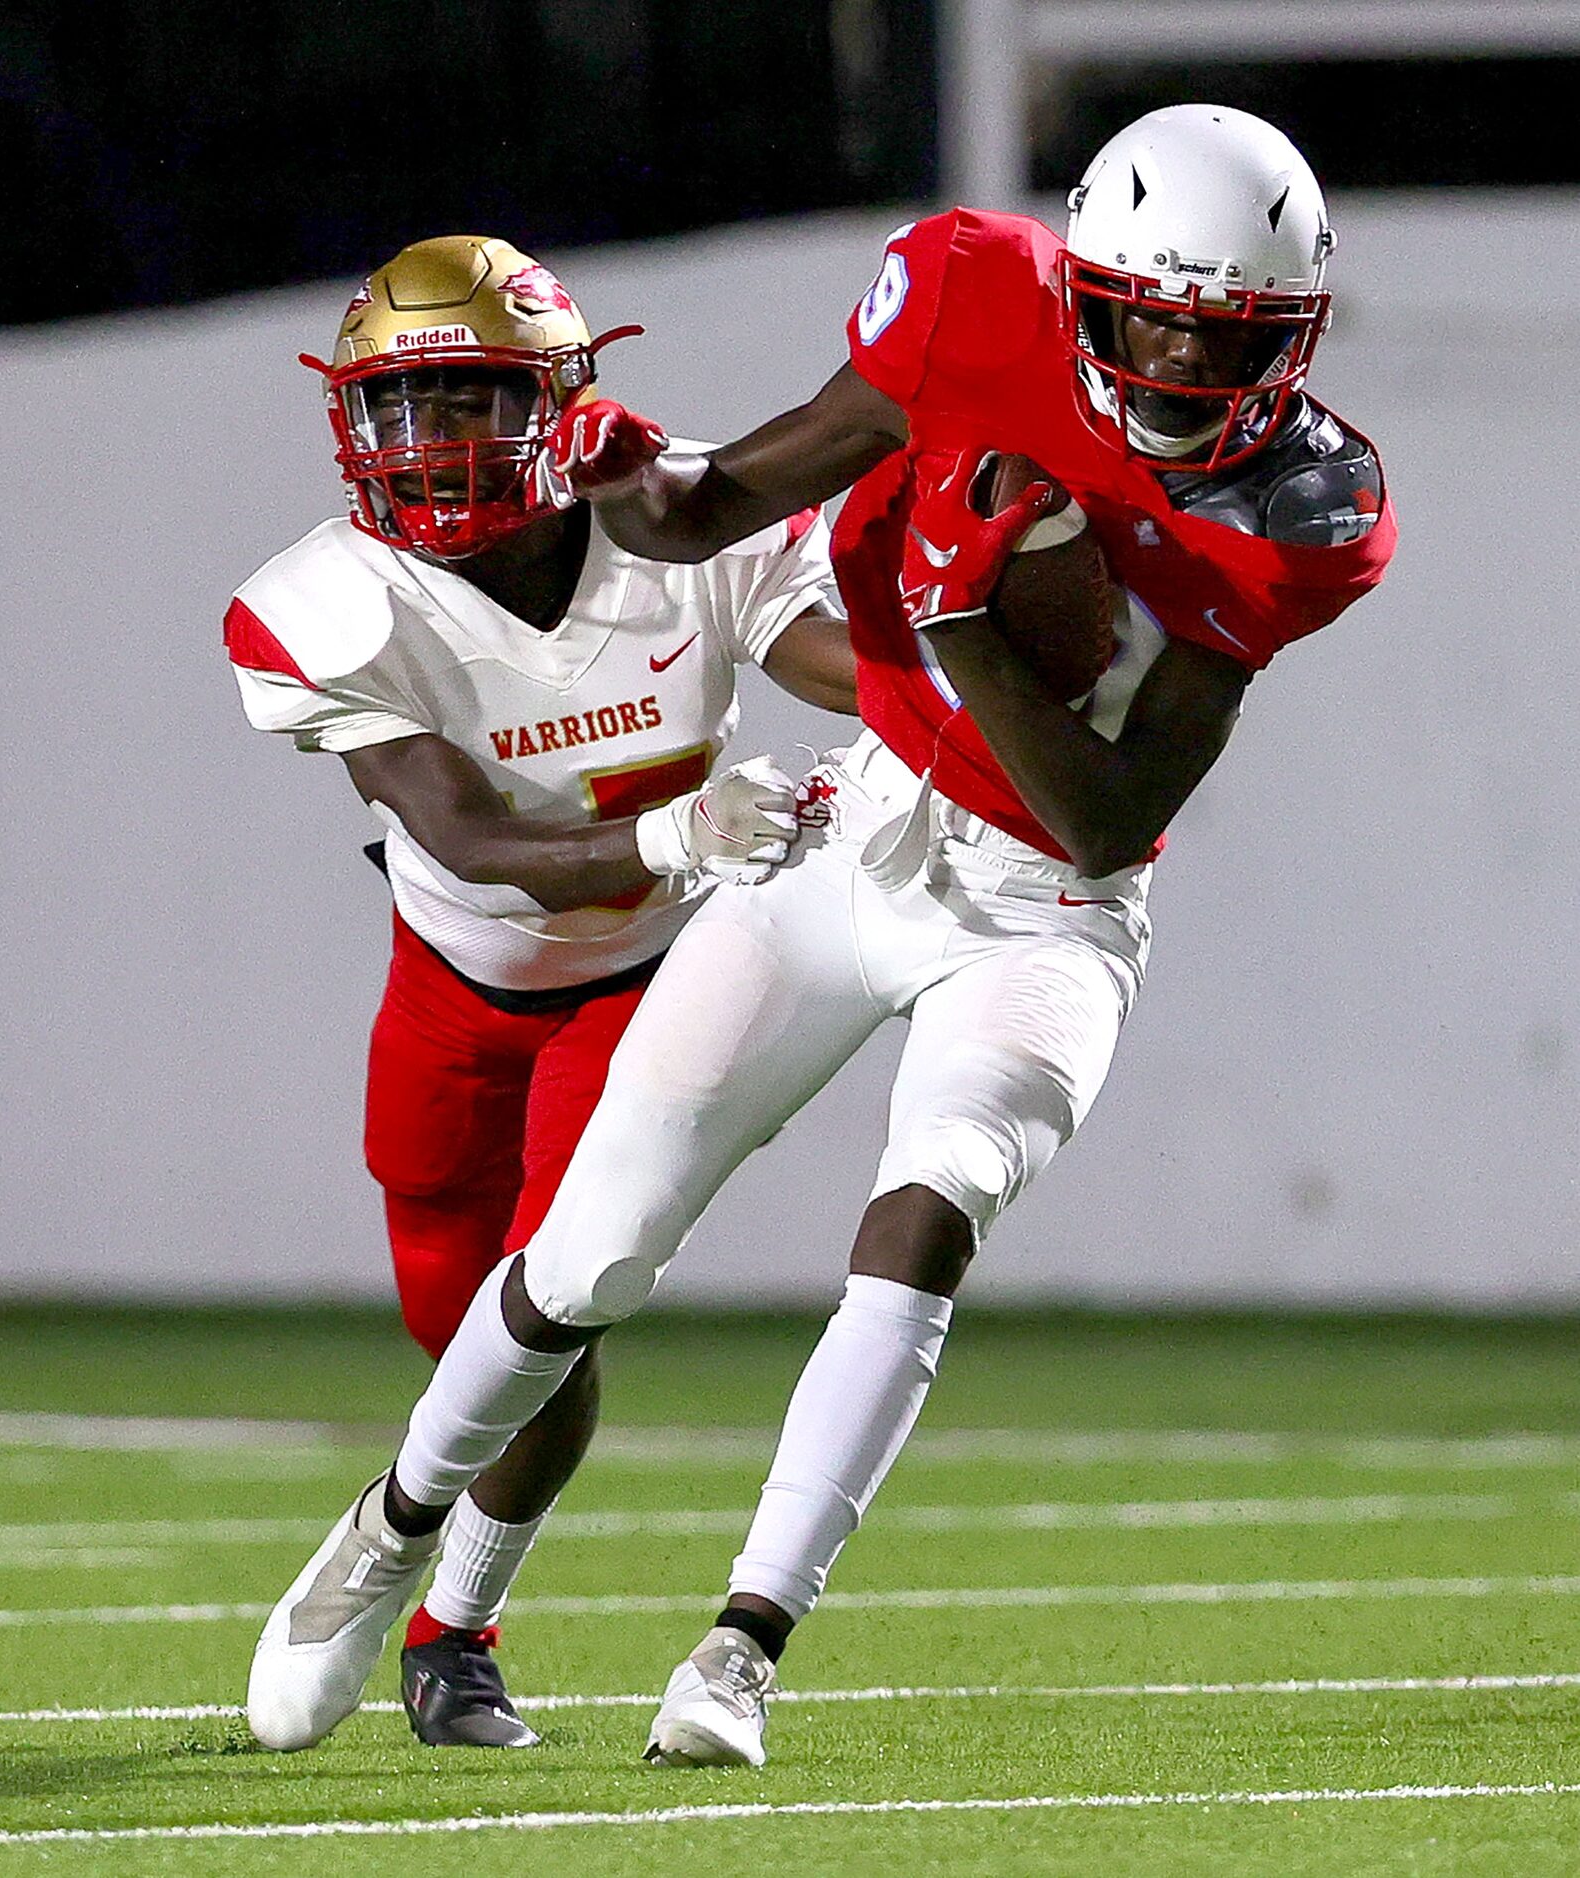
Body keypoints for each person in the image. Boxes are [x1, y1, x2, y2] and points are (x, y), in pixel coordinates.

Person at [246, 106, 1395, 1766]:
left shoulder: (1305, 508)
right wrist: (635, 478)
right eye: (1151, 312)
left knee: (925, 1215)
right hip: (857, 830)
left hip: (1046, 906)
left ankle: (738, 1647)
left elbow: (1098, 811)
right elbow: (707, 513)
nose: (1181, 360)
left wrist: (956, 622)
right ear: (1084, 284)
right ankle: (391, 1528)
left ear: (1284, 335)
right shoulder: (970, 301)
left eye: (1226, 334)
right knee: (584, 1258)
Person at [227, 235, 855, 1751]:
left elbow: (840, 656)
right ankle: (425, 1576)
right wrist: (667, 828)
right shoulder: (329, 599)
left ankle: (449, 1622)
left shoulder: (685, 506)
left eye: (472, 397)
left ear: (563, 398)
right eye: (405, 404)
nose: (434, 440)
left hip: (643, 983)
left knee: (559, 1295)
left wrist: (939, 680)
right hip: (452, 984)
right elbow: (469, 836)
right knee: (457, 1318)